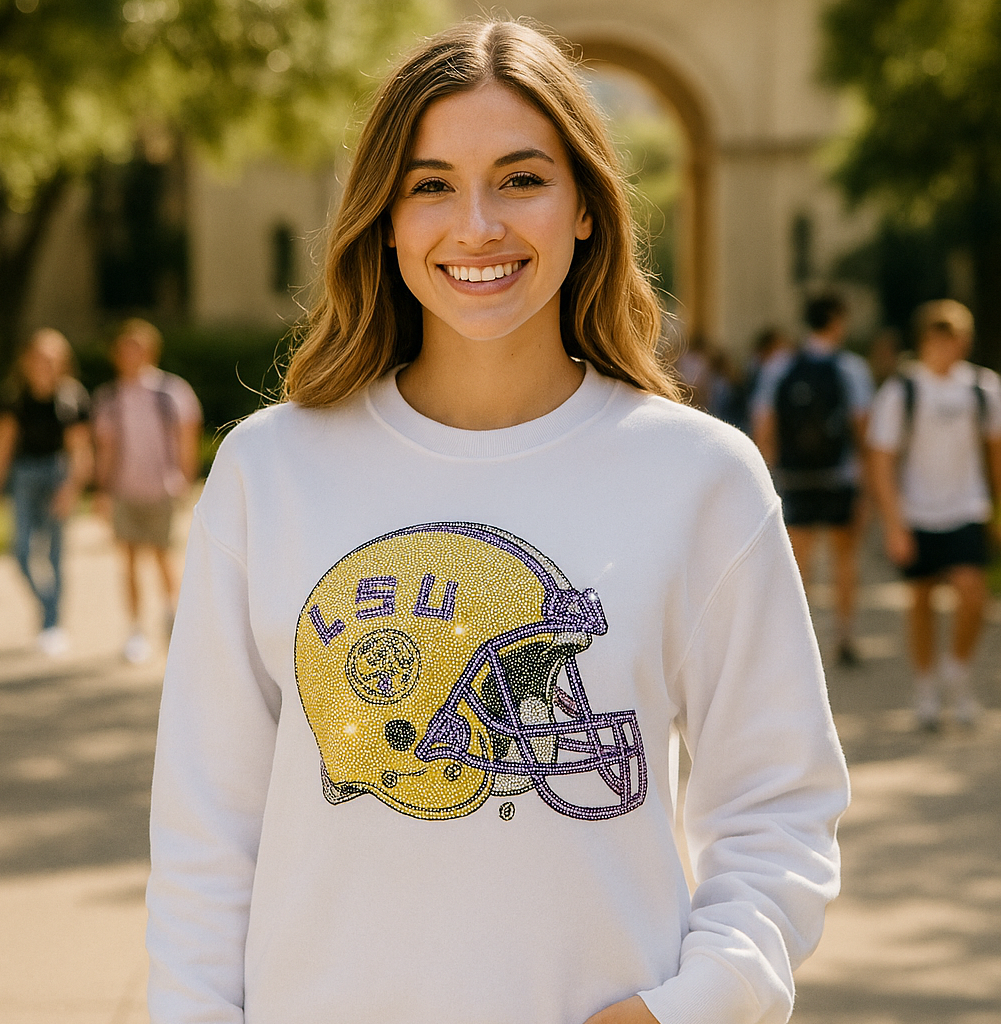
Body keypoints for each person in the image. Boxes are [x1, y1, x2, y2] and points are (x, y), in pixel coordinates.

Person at [146, 20, 849, 1024]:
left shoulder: (700, 478)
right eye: (430, 184)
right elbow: (204, 834)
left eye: (522, 178)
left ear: (587, 212)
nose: (475, 225)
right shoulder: (271, 470)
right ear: (385, 219)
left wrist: (691, 1005)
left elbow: (778, 805)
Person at [868, 300, 1001, 730]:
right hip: (917, 511)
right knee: (921, 601)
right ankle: (926, 689)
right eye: (942, 338)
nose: (951, 347)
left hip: (966, 507)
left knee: (972, 594)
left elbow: (995, 455)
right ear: (926, 340)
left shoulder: (983, 389)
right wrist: (894, 522)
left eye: (959, 338)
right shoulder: (902, 391)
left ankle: (957, 672)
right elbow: (881, 460)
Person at [752, 292, 874, 666]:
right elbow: (862, 428)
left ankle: (797, 644)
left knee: (797, 562)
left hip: (795, 478)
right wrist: (867, 483)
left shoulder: (780, 367)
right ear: (837, 321)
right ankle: (844, 636)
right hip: (839, 477)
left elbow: (763, 424)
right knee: (844, 559)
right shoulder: (851, 369)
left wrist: (769, 473)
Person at [92, 318, 202, 663]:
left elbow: (188, 437)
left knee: (162, 556)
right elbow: (106, 449)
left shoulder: (172, 391)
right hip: (125, 490)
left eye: (136, 348)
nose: (130, 355)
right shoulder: (108, 398)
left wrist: (184, 477)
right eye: (124, 349)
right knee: (127, 561)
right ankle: (135, 629)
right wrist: (102, 491)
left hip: (161, 489)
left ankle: (172, 619)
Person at [0, 329, 92, 655]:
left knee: (55, 554)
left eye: (52, 357)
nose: (45, 364)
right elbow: (1, 445)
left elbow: (80, 450)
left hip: (58, 475)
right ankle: (47, 606)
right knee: (21, 551)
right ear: (26, 360)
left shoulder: (71, 396)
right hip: (25, 477)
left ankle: (53, 624)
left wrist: (70, 490)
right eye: (39, 357)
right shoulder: (14, 396)